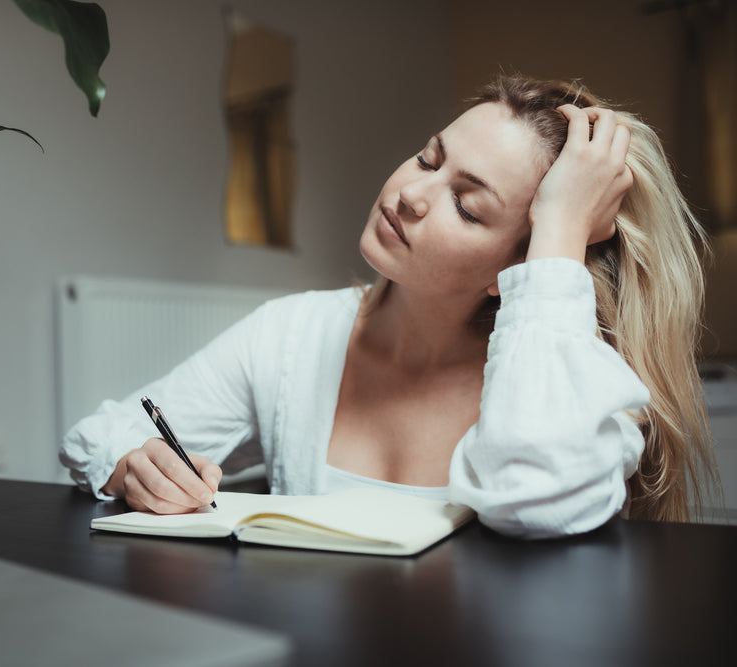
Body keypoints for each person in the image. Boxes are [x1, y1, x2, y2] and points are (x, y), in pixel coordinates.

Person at [61, 75, 719, 538]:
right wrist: (134, 464)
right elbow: (104, 432)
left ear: (519, 268)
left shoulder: (573, 376)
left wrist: (560, 235)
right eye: (427, 157)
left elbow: (533, 500)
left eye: (466, 203)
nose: (411, 193)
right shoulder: (294, 335)